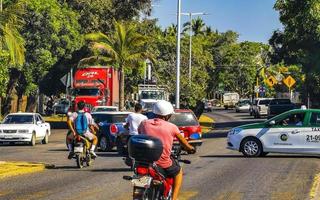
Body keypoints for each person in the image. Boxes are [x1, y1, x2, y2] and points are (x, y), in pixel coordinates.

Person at [138, 100, 195, 200]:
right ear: (167, 115)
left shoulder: (144, 123)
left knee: (138, 178)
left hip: (144, 162)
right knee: (178, 171)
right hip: (162, 163)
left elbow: (140, 134)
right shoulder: (172, 127)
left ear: (155, 112)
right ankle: (174, 198)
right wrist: (191, 149)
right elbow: (184, 143)